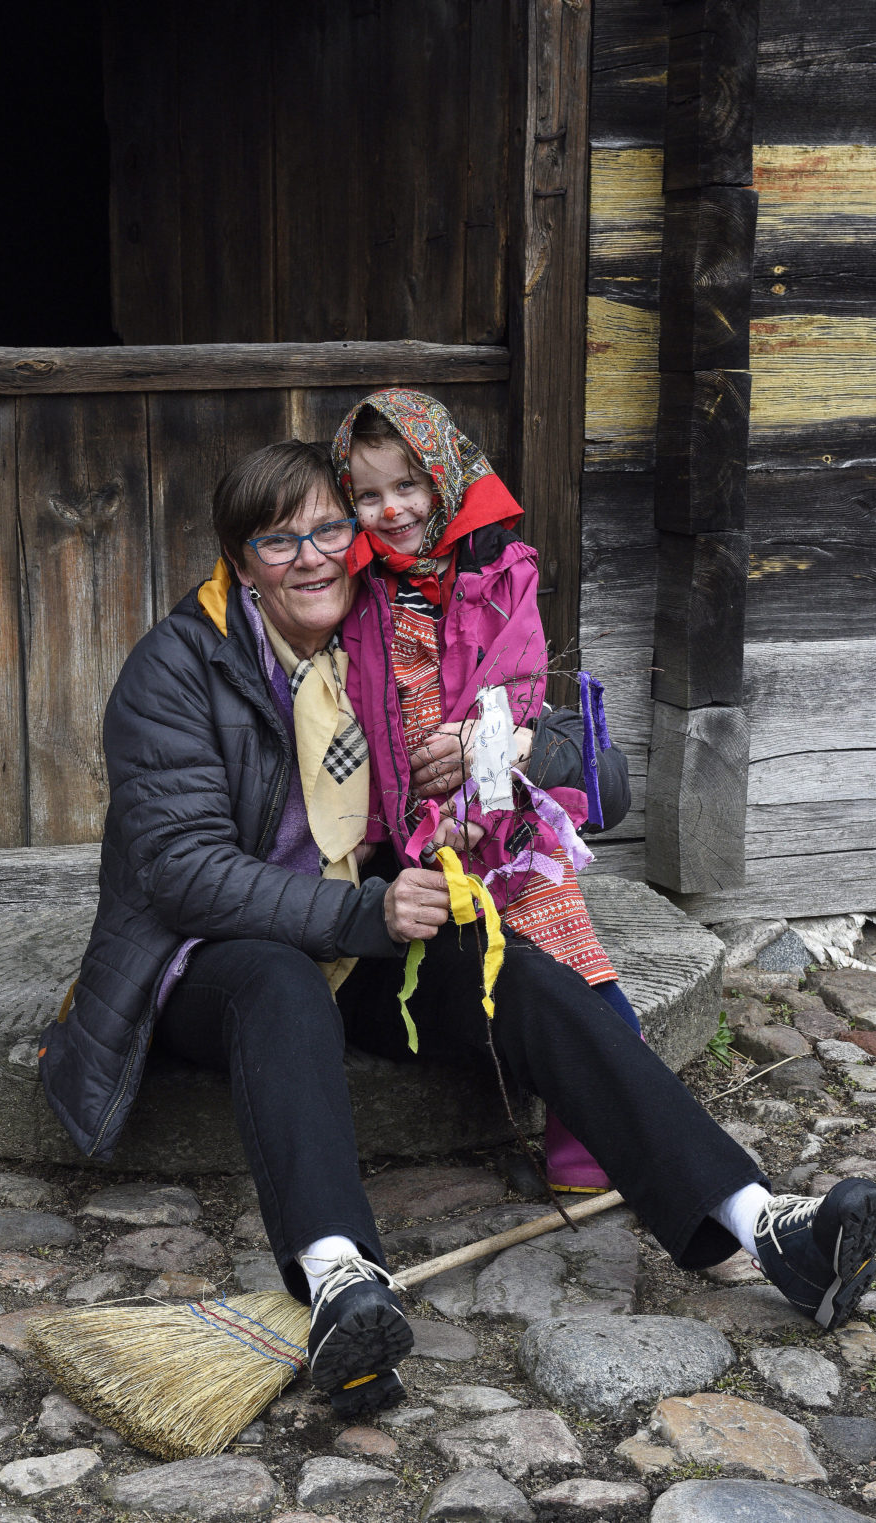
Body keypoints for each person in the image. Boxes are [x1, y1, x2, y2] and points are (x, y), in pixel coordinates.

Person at [39, 439, 876, 1425]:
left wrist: (512, 745)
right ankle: (337, 1284)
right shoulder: (177, 666)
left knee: (520, 974)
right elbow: (180, 872)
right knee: (274, 978)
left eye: (331, 528)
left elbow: (602, 780)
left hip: (353, 941)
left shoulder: (395, 642)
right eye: (280, 541)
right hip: (198, 964)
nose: (314, 556)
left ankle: (760, 1225)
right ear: (240, 561)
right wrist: (365, 910)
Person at [334, 387, 639, 1194]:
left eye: (408, 485)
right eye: (367, 495)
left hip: (502, 824)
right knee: (496, 981)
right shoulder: (353, 596)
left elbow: (517, 694)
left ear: (444, 475)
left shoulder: (504, 575)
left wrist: (477, 788)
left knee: (574, 966)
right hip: (405, 837)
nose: (390, 509)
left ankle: (599, 1152)